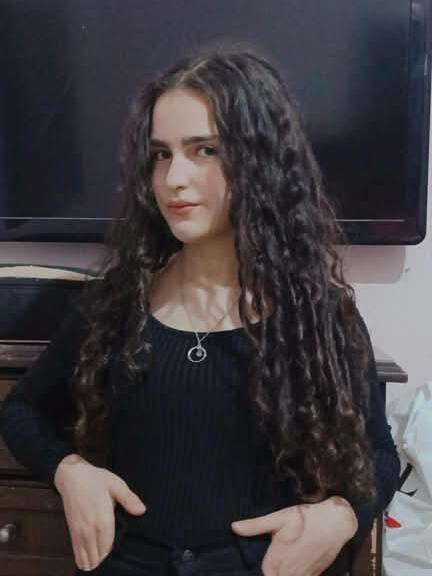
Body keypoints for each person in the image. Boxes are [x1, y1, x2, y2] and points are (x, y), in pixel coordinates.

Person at [0, 44, 400, 576]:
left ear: (258, 160)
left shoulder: (320, 318)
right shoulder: (116, 303)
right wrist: (69, 470)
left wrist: (342, 516)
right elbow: (20, 410)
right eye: (161, 154)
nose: (173, 178)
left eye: (204, 150)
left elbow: (379, 455)